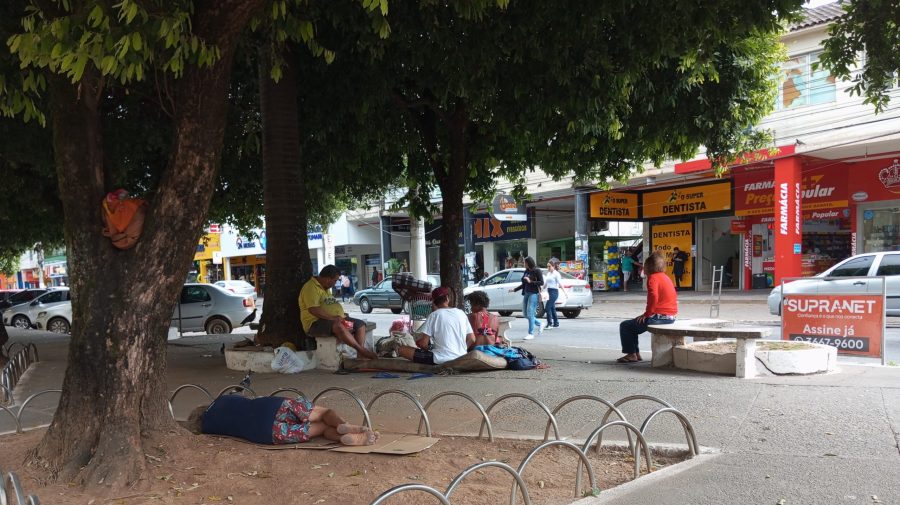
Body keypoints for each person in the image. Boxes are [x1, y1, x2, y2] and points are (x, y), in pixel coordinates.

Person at [187, 394, 378, 446]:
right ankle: (342, 424)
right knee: (323, 413)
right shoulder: (221, 400)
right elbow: (242, 397)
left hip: (264, 432)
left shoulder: (208, 427)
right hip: (271, 407)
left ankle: (352, 439)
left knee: (319, 428)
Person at [300, 265, 377, 359]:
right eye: (335, 280)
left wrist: (341, 315)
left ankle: (360, 357)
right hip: (315, 324)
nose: (335, 283)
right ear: (328, 279)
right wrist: (333, 318)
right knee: (338, 326)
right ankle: (361, 350)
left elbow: (328, 304)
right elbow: (313, 310)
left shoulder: (325, 288)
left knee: (360, 325)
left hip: (334, 319)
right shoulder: (311, 287)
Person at [617, 251, 677, 363]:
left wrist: (647, 314)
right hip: (670, 317)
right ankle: (636, 353)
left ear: (648, 267)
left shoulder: (653, 278)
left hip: (658, 318)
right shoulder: (665, 277)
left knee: (625, 326)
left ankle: (631, 354)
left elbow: (653, 297)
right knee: (633, 326)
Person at [393, 287, 474, 364]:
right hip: (461, 357)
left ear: (433, 302)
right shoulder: (461, 313)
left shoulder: (434, 315)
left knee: (402, 349)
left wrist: (427, 348)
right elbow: (472, 339)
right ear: (447, 298)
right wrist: (460, 350)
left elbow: (423, 344)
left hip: (439, 359)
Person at [510, 256, 544, 340]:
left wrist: (531, 281)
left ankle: (530, 333)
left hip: (534, 294)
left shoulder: (537, 270)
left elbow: (541, 282)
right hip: (526, 293)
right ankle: (540, 323)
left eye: (525, 262)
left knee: (530, 313)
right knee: (525, 314)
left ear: (528, 263)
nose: (524, 264)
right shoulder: (527, 271)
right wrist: (514, 289)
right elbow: (524, 284)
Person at [544, 258, 565, 329]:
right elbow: (546, 283)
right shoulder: (548, 273)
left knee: (547, 308)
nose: (548, 268)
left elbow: (560, 284)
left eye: (549, 266)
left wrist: (565, 292)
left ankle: (549, 324)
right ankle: (556, 323)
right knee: (552, 308)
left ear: (553, 266)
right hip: (549, 292)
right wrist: (541, 289)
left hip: (554, 292)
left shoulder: (556, 274)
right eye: (547, 266)